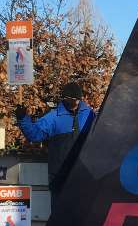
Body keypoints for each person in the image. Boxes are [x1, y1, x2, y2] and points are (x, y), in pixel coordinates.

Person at [15, 82, 96, 211]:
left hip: (83, 176)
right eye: (69, 100)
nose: (73, 103)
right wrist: (23, 119)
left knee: (83, 218)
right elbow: (35, 135)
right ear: (64, 99)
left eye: (75, 100)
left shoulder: (90, 115)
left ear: (80, 99)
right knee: (59, 218)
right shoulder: (53, 117)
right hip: (59, 177)